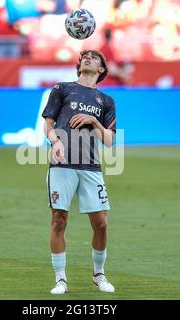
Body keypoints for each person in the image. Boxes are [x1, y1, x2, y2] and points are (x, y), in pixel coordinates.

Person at [42, 50, 117, 294]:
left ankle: (99, 274)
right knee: (58, 220)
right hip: (62, 166)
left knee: (101, 224)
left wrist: (94, 122)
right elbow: (48, 124)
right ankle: (60, 279)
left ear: (102, 70)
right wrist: (56, 142)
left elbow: (109, 140)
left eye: (95, 58)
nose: (89, 59)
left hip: (90, 167)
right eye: (86, 57)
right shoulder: (62, 89)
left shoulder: (106, 101)